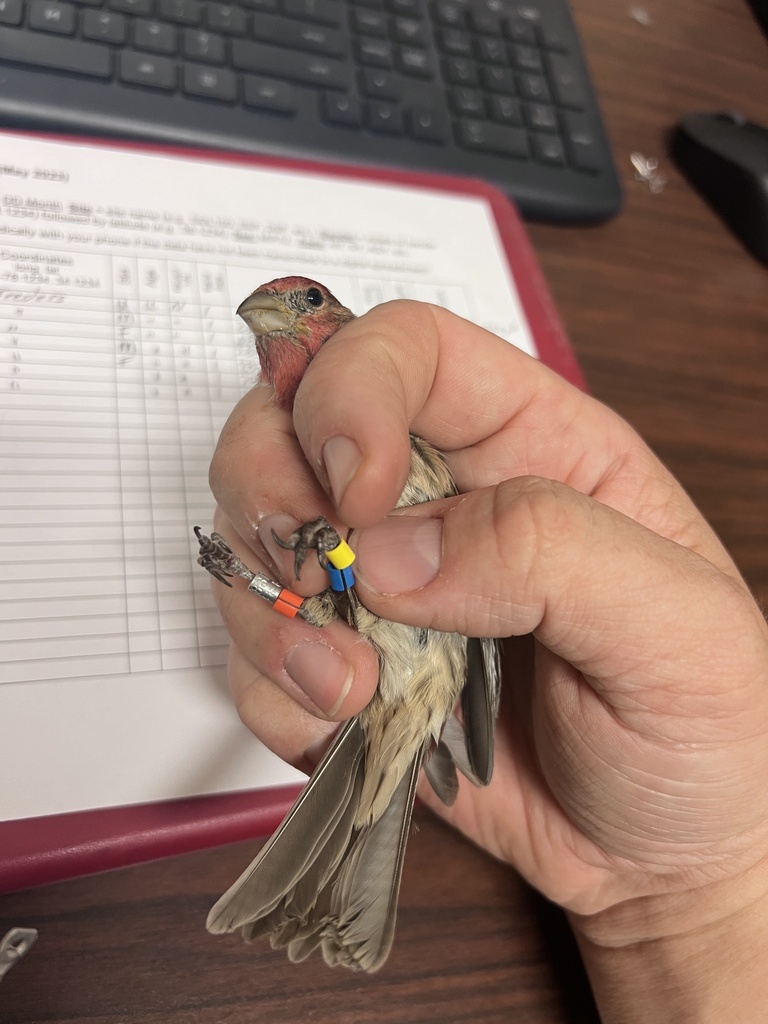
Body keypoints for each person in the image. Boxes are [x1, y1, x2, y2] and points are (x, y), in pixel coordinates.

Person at [205, 299, 768, 1022]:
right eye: (267, 307)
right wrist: (690, 902)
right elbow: (336, 591)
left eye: (304, 300)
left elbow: (418, 602)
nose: (271, 310)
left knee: (323, 589)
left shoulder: (411, 439)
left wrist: (697, 894)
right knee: (310, 596)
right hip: (385, 653)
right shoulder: (314, 447)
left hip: (430, 662)